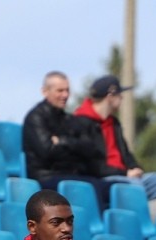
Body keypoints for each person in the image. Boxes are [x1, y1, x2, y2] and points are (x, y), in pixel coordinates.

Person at [73, 74, 156, 201]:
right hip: (104, 180)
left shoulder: (113, 123)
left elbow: (126, 154)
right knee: (134, 186)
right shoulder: (81, 123)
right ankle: (138, 221)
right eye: (119, 94)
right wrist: (125, 173)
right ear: (110, 97)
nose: (122, 98)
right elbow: (93, 165)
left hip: (125, 177)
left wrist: (136, 168)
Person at [22, 71, 107, 204]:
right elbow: (48, 152)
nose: (65, 95)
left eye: (67, 90)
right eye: (60, 91)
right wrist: (75, 147)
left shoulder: (69, 119)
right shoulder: (36, 118)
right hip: (46, 178)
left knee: (111, 188)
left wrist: (62, 142)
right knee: (93, 188)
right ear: (45, 91)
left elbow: (90, 148)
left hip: (72, 175)